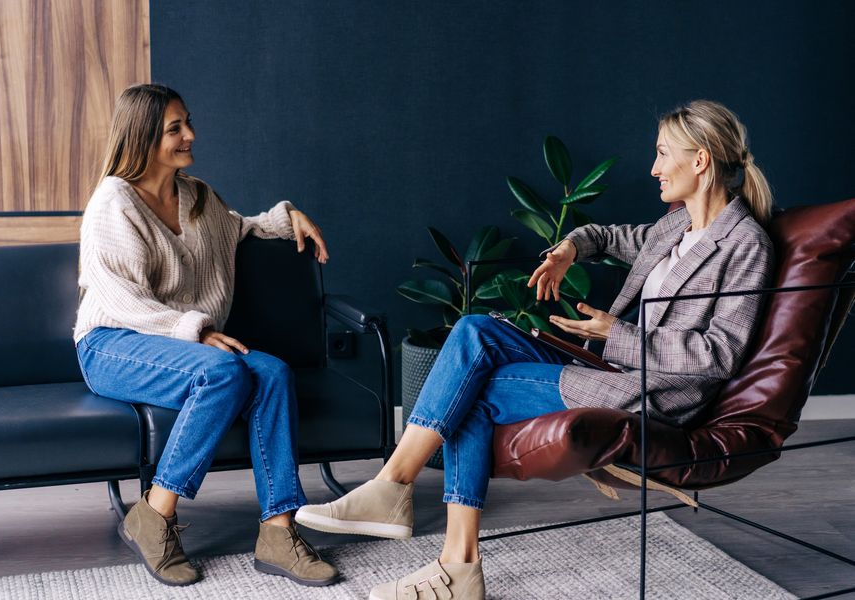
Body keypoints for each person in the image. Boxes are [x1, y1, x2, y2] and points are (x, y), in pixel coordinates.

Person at [294, 100, 775, 600]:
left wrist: (616, 333)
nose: (654, 168)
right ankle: (401, 497)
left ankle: (446, 552)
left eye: (662, 153)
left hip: (652, 393)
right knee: (475, 328)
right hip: (607, 368)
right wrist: (569, 249)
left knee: (472, 393)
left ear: (700, 160)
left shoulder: (745, 245)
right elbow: (604, 235)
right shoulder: (675, 227)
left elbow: (719, 355)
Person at [74, 83, 338, 588]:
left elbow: (238, 228)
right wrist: (195, 330)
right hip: (112, 343)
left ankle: (279, 530)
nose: (190, 135)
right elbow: (120, 299)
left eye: (187, 122)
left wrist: (288, 218)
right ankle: (155, 513)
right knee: (221, 371)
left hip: (181, 345)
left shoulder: (196, 196)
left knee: (272, 373)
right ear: (143, 136)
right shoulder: (113, 203)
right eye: (175, 128)